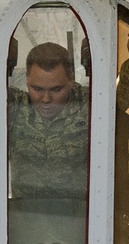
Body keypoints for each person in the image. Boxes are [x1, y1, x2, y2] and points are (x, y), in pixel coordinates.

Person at [7, 42, 88, 201]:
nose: (46, 99)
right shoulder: (15, 107)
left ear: (71, 79)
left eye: (57, 89)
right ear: (26, 80)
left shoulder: (92, 104)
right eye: (37, 89)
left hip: (82, 219)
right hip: (26, 216)